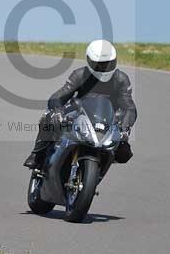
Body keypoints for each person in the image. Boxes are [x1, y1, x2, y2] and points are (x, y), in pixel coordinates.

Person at [23, 39, 137, 169]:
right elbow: (60, 95)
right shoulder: (80, 74)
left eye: (107, 64)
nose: (103, 68)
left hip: (108, 121)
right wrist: (57, 111)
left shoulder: (121, 79)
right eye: (98, 65)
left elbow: (129, 106)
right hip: (79, 114)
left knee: (124, 153)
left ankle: (96, 172)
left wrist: (125, 127)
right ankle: (37, 154)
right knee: (48, 117)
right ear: (89, 60)